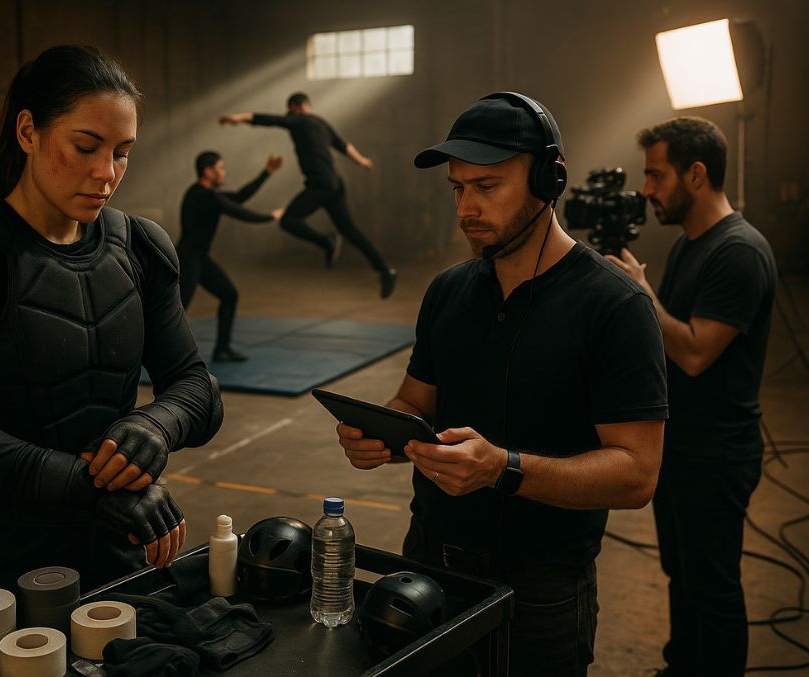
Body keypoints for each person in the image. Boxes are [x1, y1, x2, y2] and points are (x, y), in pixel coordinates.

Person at [334, 92, 668, 677]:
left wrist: (503, 468)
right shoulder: (448, 291)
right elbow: (415, 401)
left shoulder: (615, 306)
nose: (466, 207)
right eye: (458, 188)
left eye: (486, 187)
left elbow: (637, 472)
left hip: (539, 591)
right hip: (429, 565)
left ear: (547, 178)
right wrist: (380, 435)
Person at [0, 45, 223, 616]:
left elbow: (196, 387)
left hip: (116, 553)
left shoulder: (140, 247)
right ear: (28, 132)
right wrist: (89, 487)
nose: (106, 174)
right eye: (85, 146)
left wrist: (154, 426)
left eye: (122, 153)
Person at [607, 117, 776, 677]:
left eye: (656, 175)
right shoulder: (687, 246)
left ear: (695, 174)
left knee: (714, 587)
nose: (647, 189)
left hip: (718, 453)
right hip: (681, 448)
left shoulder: (739, 252)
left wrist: (641, 294)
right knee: (684, 576)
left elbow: (698, 351)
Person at [218, 92, 397, 298]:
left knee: (287, 220)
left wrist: (237, 118)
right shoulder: (321, 122)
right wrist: (362, 161)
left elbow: (267, 120)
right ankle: (385, 271)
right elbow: (344, 146)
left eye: (289, 110)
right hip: (335, 184)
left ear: (295, 107)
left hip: (320, 185)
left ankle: (326, 242)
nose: (288, 115)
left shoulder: (298, 120)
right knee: (350, 231)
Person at [178, 151, 284, 362]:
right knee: (176, 311)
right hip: (187, 259)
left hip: (200, 259)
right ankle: (148, 355)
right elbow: (239, 212)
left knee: (229, 295)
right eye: (221, 168)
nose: (224, 172)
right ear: (208, 171)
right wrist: (271, 216)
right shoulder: (202, 196)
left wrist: (267, 172)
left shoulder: (207, 194)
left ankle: (222, 349)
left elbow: (238, 197)